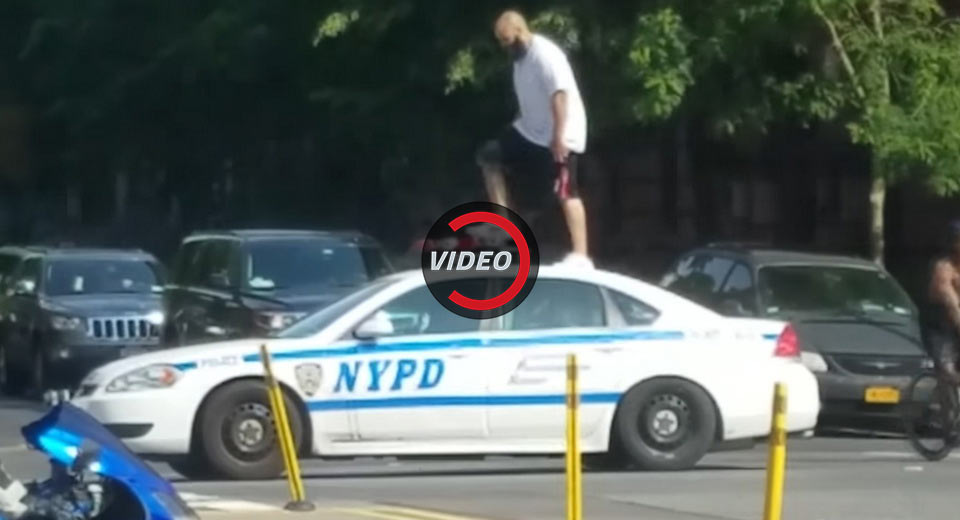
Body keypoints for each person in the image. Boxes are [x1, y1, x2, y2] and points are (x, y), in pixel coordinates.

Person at [476, 9, 591, 267]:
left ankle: (582, 256)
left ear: (519, 31)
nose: (507, 48)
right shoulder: (520, 61)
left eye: (507, 41)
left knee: (566, 191)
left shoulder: (545, 55)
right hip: (530, 131)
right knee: (489, 155)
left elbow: (559, 95)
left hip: (562, 134)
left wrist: (559, 136)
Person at [924, 221, 960, 385]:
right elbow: (951, 304)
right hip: (941, 328)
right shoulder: (944, 268)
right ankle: (947, 405)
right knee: (948, 371)